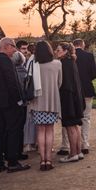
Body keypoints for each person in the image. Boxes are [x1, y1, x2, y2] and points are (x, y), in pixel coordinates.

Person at [0, 37, 30, 173]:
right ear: (6, 46)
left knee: (0, 132)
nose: (15, 50)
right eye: (14, 47)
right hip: (11, 103)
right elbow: (13, 84)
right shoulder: (7, 62)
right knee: (13, 131)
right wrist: (19, 100)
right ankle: (12, 162)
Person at [26, 40, 62, 171]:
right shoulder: (57, 64)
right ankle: (49, 160)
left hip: (37, 103)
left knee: (40, 131)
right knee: (50, 130)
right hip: (52, 102)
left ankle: (42, 161)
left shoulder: (34, 65)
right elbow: (60, 83)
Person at [58, 39, 96, 155]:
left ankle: (65, 146)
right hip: (86, 90)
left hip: (70, 92)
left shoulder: (64, 60)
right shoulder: (89, 56)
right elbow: (95, 73)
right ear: (82, 44)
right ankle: (84, 144)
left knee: (68, 119)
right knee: (85, 118)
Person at [56, 42, 85, 163]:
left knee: (70, 127)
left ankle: (73, 154)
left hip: (68, 98)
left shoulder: (63, 63)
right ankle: (78, 152)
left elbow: (63, 84)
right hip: (75, 97)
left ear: (65, 51)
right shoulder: (71, 62)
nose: (55, 51)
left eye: (58, 50)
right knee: (75, 126)